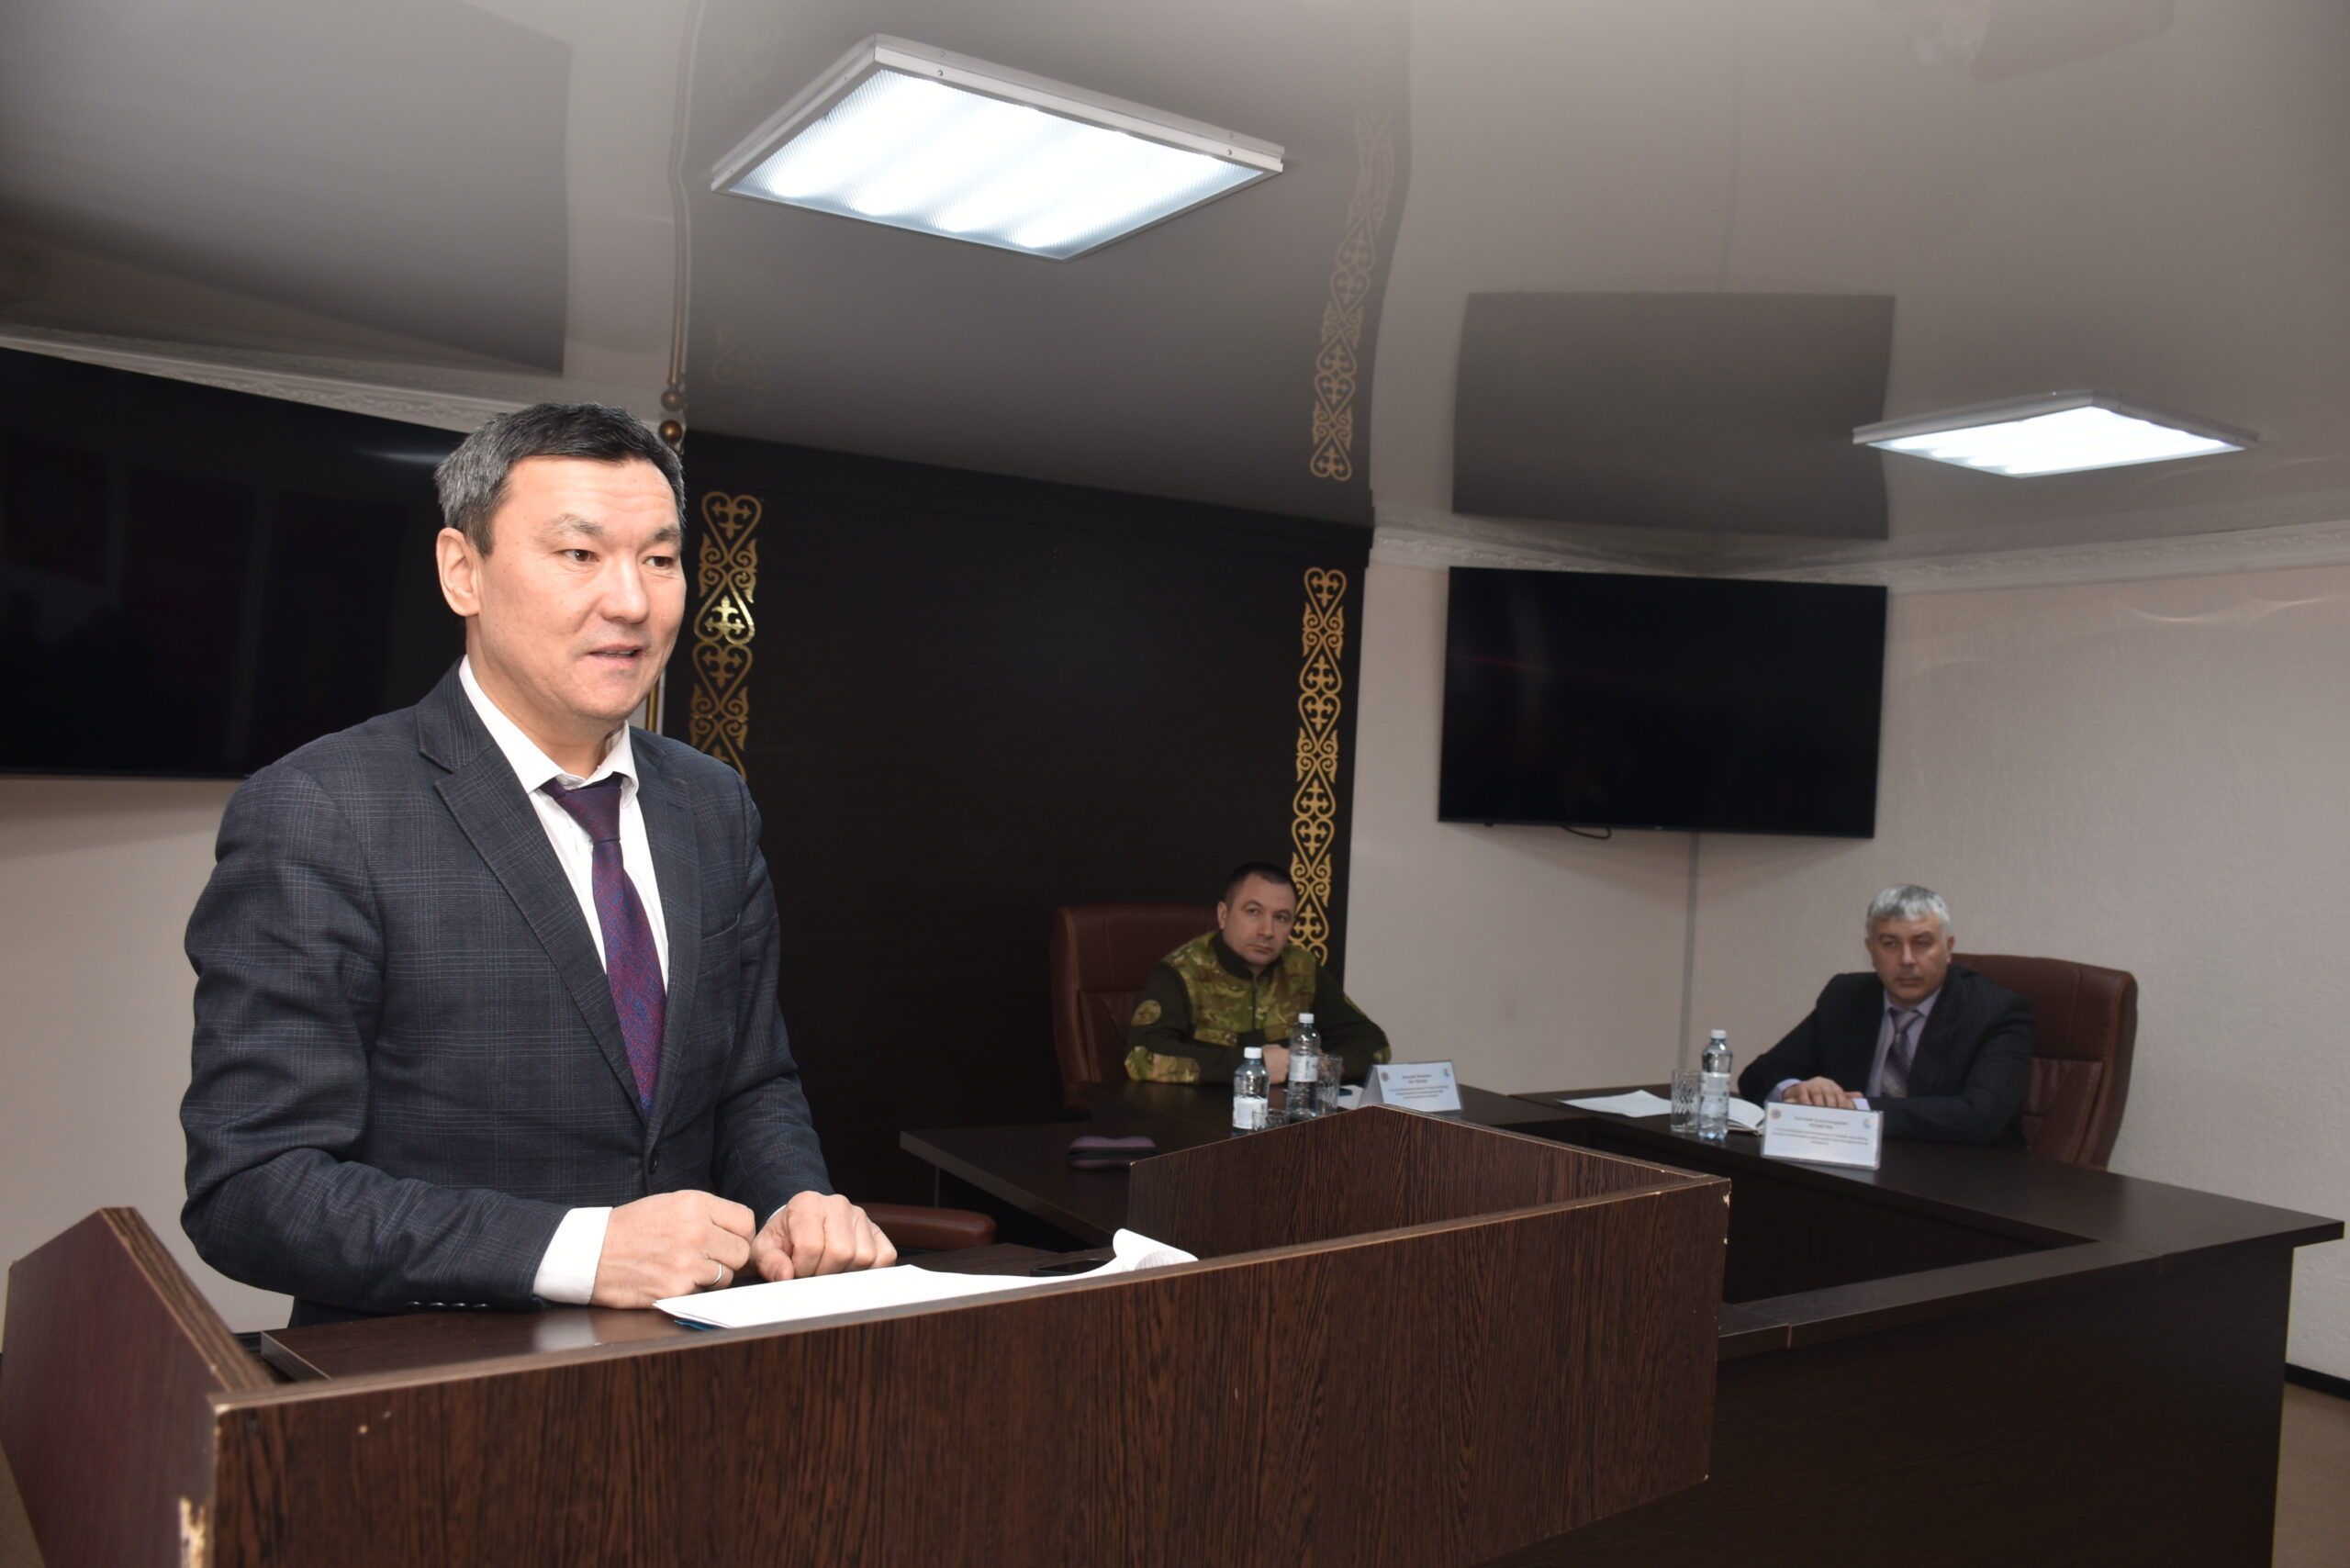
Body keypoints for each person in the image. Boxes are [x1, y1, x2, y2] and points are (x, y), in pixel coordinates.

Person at [181, 402, 895, 1325]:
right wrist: (579, 1250)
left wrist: (796, 1202)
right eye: (579, 553)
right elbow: (253, 1189)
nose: (631, 601)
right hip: (439, 1379)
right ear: (462, 571)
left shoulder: (713, 804)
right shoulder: (321, 811)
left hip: (687, 1362)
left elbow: (750, 1084)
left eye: (660, 559)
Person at [1737, 884, 2032, 1147]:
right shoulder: (1845, 997)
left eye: (1922, 943)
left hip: (1963, 1175)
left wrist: (1857, 1110)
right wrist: (1795, 1092)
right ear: (1870, 949)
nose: (1906, 960)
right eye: (1890, 944)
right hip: (1856, 1166)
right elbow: (1758, 1074)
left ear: (1948, 948)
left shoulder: (1995, 1010)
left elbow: (1980, 1115)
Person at [1123, 862, 1391, 1087]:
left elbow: (1374, 1042)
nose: (1267, 931)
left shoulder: (1301, 969)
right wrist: (1253, 1064)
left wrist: (1328, 1066)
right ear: (1223, 915)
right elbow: (1141, 1056)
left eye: (1281, 918)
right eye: (1253, 912)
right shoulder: (1182, 971)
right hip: (1197, 1117)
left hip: (1280, 1119)